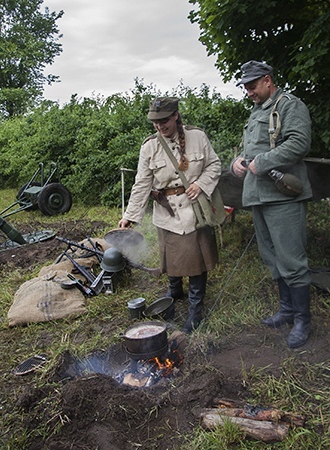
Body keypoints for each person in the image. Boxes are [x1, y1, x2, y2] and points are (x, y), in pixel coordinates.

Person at [119, 97, 221, 333]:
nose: (159, 126)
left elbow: (214, 165)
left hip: (195, 209)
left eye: (164, 121)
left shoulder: (198, 137)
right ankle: (175, 291)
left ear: (175, 116)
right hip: (167, 211)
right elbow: (142, 184)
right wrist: (130, 216)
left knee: (196, 261)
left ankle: (196, 309)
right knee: (171, 255)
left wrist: (202, 184)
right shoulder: (149, 147)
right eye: (155, 122)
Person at [230, 60, 314, 349]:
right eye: (246, 88)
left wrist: (262, 162)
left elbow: (299, 143)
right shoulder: (257, 112)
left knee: (292, 258)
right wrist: (237, 163)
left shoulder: (290, 105)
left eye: (252, 86)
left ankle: (303, 319)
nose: (249, 92)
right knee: (272, 258)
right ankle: (287, 310)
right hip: (258, 196)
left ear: (267, 80)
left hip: (282, 197)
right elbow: (250, 150)